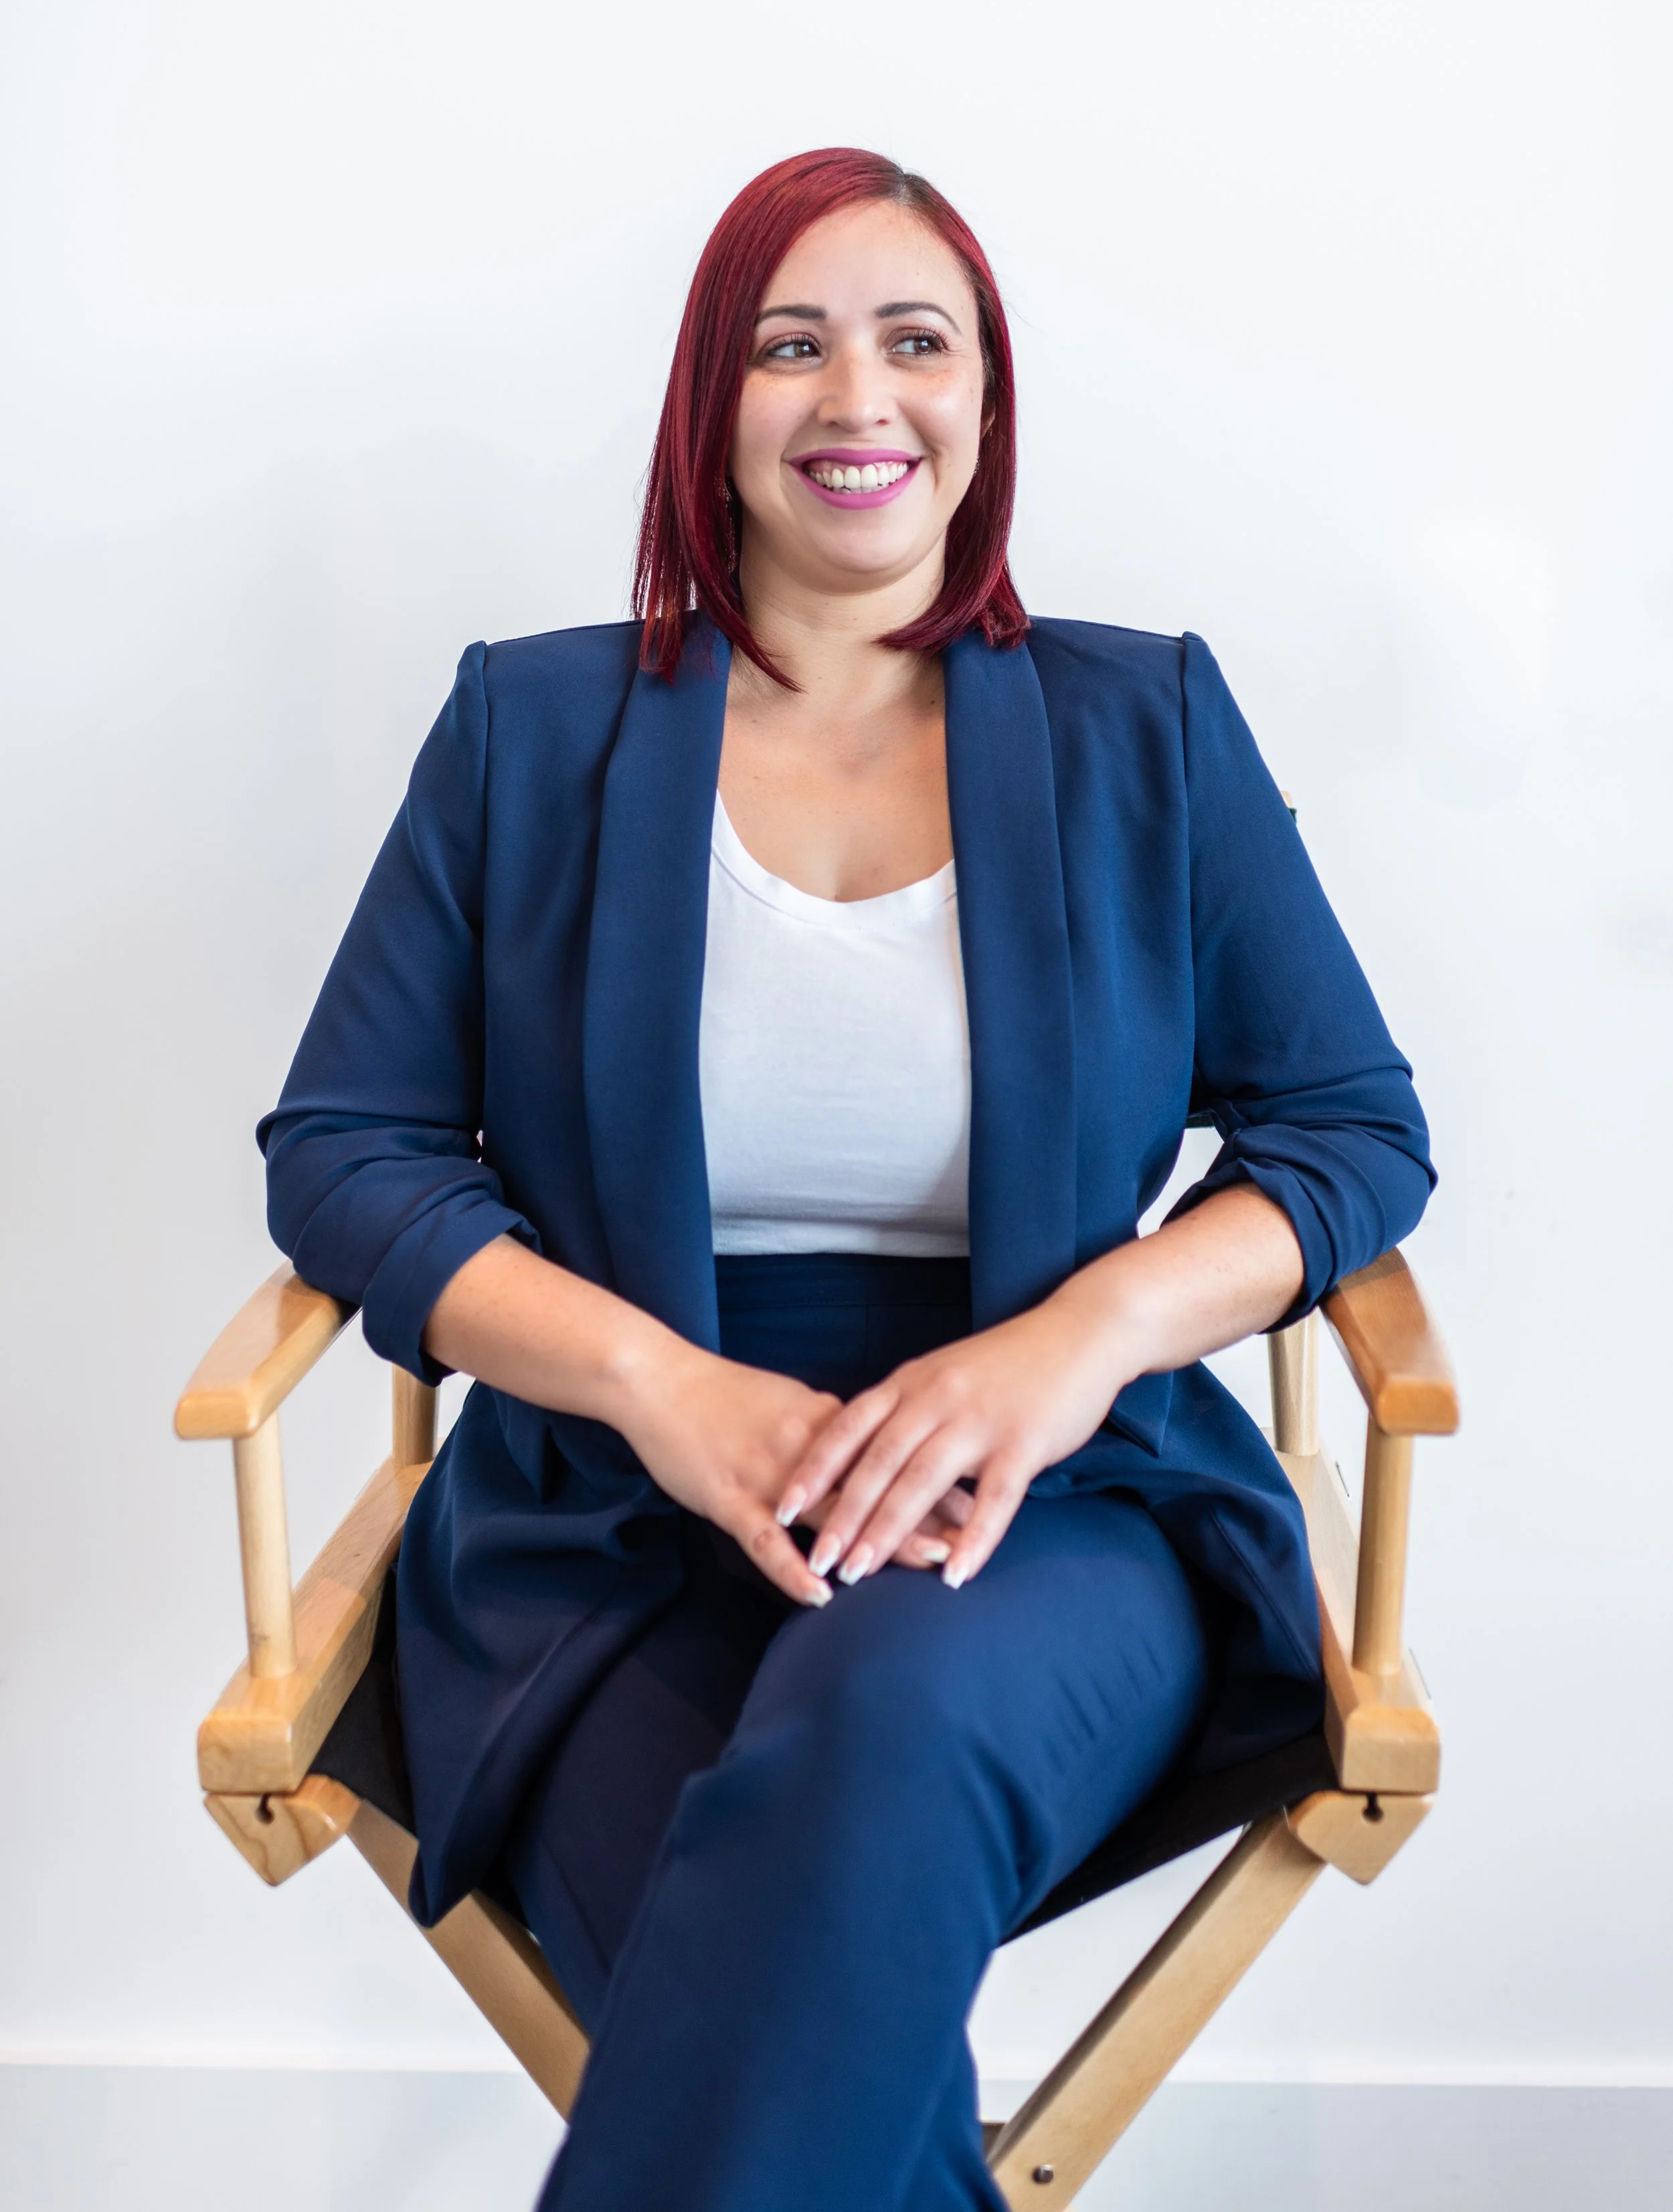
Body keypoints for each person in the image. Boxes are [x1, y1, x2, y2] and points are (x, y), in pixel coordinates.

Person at [260, 147, 1434, 2212]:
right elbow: (344, 1151)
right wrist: (658, 1384)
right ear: (711, 397)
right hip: (613, 1514)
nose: (856, 398)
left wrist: (1080, 1340)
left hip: (1054, 1497)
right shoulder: (528, 729)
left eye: (917, 341)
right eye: (789, 344)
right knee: (796, 2008)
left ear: (986, 399)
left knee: (861, 1765)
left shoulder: (1140, 720)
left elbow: (1349, 1126)